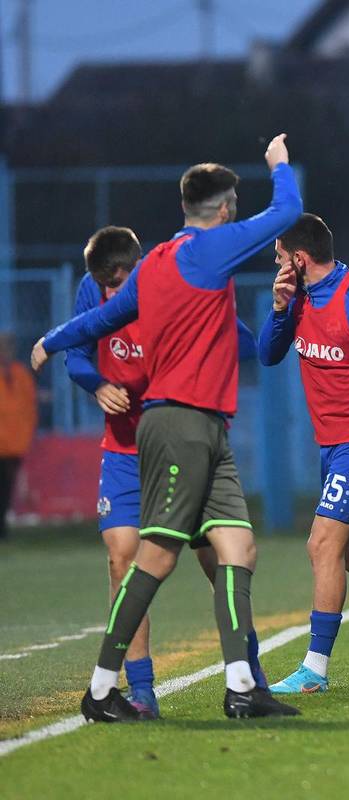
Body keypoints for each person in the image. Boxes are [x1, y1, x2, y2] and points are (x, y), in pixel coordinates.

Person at [32, 134, 303, 721]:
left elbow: (106, 315)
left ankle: (241, 687)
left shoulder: (156, 261)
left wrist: (54, 339)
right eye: (233, 204)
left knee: (238, 547)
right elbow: (286, 213)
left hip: (206, 427)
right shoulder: (210, 250)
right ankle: (103, 689)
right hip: (179, 423)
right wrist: (280, 164)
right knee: (154, 556)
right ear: (226, 206)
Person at [63, 226, 268, 718]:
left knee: (219, 559)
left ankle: (250, 675)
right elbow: (76, 352)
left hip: (178, 444)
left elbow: (245, 343)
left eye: (120, 283)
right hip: (125, 451)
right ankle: (140, 690)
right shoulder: (95, 286)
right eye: (106, 287)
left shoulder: (175, 280)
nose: (113, 294)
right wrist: (95, 384)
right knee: (124, 561)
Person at [257, 213, 349, 693]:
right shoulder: (296, 301)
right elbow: (267, 354)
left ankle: (314, 669)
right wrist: (278, 309)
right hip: (331, 446)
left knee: (322, 545)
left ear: (298, 258)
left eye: (278, 259)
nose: (275, 267)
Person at [0, 331, 37, 541]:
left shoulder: (20, 374)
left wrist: (25, 436)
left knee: (6, 488)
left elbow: (28, 408)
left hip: (13, 443)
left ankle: (2, 528)